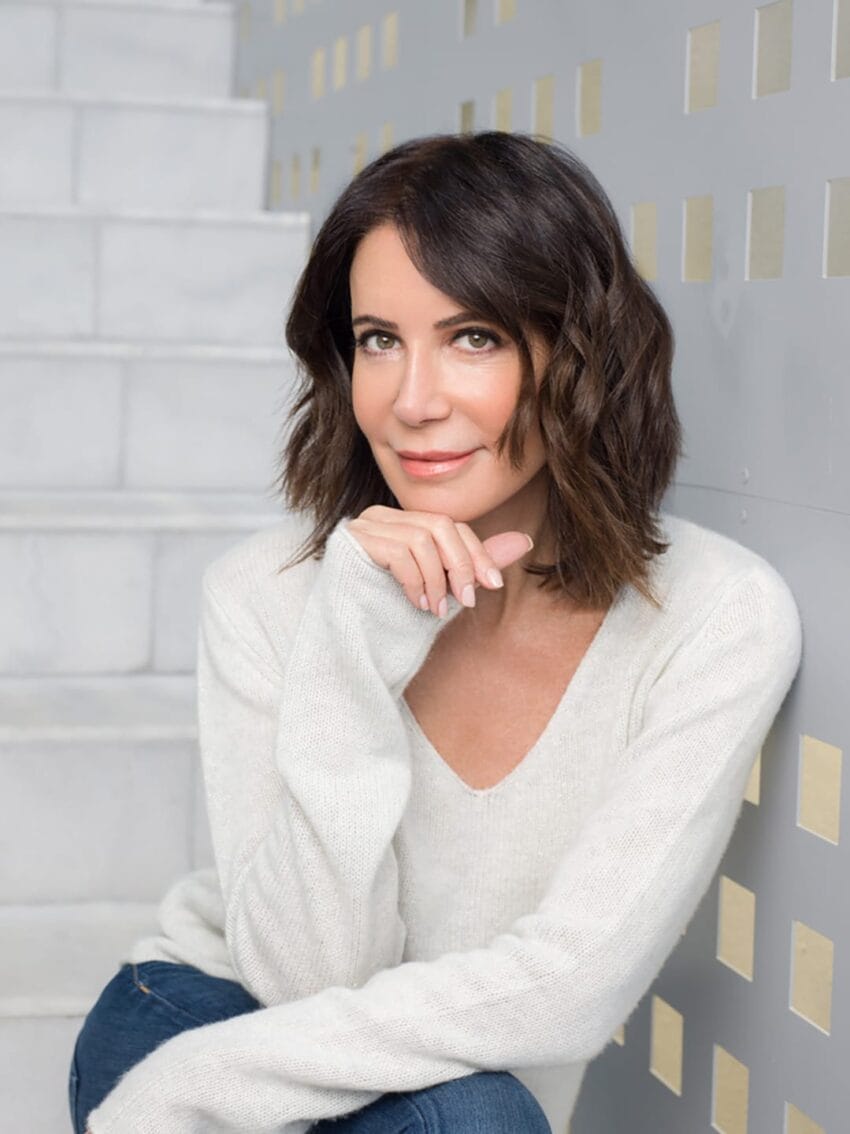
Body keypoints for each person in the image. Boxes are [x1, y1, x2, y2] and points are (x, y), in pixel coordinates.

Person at [70, 131, 803, 1134]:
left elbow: (567, 989)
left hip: (308, 1074)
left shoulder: (715, 617)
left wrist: (186, 1088)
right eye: (378, 339)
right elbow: (310, 973)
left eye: (473, 338)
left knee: (474, 1116)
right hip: (210, 1004)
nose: (411, 402)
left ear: (577, 353)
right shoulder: (262, 595)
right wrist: (352, 641)